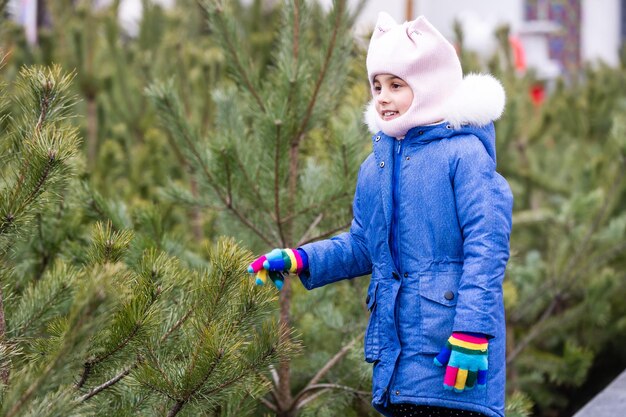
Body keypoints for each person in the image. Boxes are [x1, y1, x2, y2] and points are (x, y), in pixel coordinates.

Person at [248, 12, 512, 417]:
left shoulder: (465, 154)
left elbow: (487, 247)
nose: (383, 96)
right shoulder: (377, 166)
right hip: (398, 357)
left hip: (453, 352)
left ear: (429, 87)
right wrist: (302, 258)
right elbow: (361, 245)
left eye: (396, 85)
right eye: (377, 86)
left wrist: (473, 331)